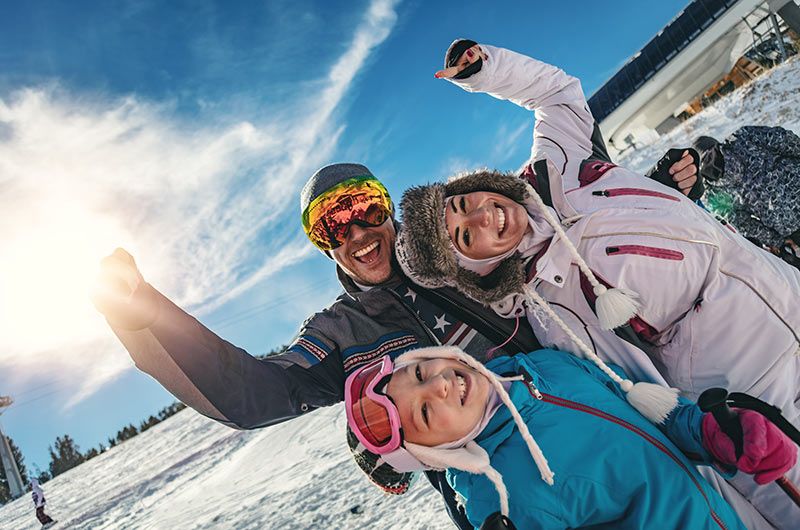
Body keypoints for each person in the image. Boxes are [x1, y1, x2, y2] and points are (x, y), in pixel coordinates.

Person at [92, 66, 699, 530]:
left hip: (607, 423)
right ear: (324, 246)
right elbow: (252, 395)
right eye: (333, 225)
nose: (357, 232)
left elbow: (549, 228)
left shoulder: (453, 247)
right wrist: (140, 312)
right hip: (511, 496)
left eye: (365, 208)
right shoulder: (341, 333)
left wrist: (651, 197)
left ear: (387, 207)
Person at [395, 39, 800, 528]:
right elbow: (643, 392)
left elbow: (559, 93)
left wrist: (485, 69)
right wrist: (720, 436)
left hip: (788, 288)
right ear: (475, 268)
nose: (482, 216)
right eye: (465, 236)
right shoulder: (554, 312)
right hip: (761, 396)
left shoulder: (555, 170)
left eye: (461, 204)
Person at [345, 345, 796, 529]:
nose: (439, 384)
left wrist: (709, 432)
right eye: (425, 412)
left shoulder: (541, 365)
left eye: (420, 373)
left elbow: (646, 409)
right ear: (435, 454)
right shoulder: (499, 502)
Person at [693, 127, 800, 268]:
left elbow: (744, 224)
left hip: (790, 224)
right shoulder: (742, 138)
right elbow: (786, 141)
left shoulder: (711, 193)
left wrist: (777, 241)